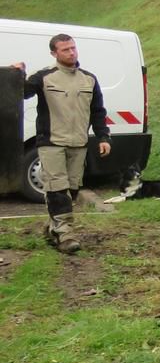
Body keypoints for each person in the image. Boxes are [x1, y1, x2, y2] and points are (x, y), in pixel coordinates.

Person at [10, 34, 111, 253]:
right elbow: (21, 93)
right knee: (57, 189)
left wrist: (103, 137)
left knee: (72, 190)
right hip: (52, 142)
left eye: (73, 48)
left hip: (79, 143)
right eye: (65, 49)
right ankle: (66, 234)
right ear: (54, 53)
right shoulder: (44, 77)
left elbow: (98, 111)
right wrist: (17, 74)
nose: (71, 52)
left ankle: (52, 227)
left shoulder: (89, 79)